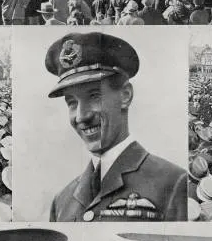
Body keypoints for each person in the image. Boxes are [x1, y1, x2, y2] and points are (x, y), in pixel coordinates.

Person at [46, 32, 187, 222]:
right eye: (71, 102)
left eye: (94, 96)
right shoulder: (62, 201)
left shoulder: (174, 184)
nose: (82, 116)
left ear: (125, 95)